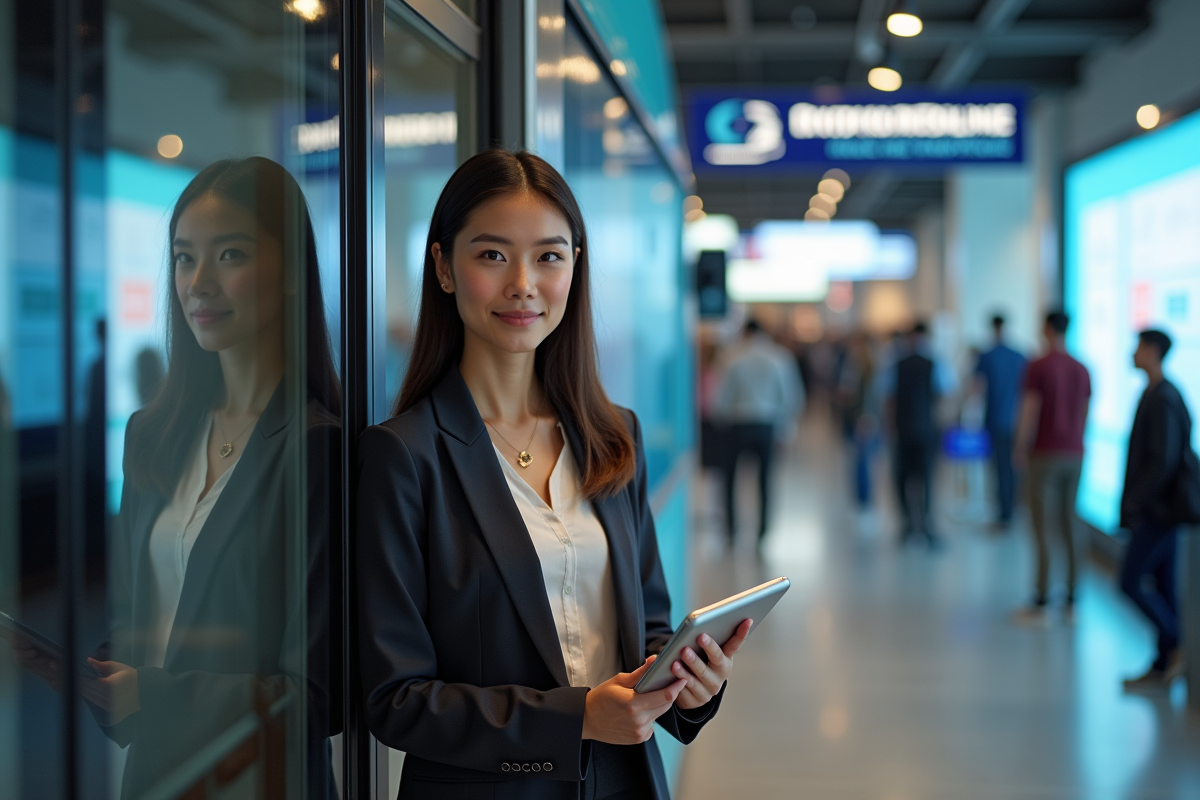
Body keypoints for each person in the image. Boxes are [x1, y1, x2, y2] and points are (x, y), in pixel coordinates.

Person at [356, 150, 752, 800]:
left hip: (624, 782)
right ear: (443, 268)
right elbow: (394, 699)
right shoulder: (404, 456)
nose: (523, 284)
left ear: (575, 266)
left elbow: (648, 626)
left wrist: (689, 684)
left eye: (549, 256)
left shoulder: (610, 437)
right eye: (491, 256)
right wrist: (577, 719)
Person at [11, 158, 343, 796]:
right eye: (185, 258)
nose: (200, 283)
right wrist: (92, 674)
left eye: (230, 255)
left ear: (293, 273)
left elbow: (317, 697)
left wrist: (152, 694)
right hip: (158, 777)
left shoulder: (316, 449)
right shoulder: (152, 434)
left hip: (262, 781)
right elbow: (145, 626)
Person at [1119, 329, 1190, 689]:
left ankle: (1178, 644)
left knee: (1129, 581)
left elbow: (1161, 460)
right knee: (1161, 586)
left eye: (1138, 347)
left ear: (1151, 351)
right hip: (1160, 510)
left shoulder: (1163, 397)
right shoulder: (1155, 393)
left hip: (1159, 512)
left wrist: (1137, 501)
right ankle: (1163, 664)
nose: (1132, 353)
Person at [1012, 311, 1091, 624]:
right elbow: (1085, 413)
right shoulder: (1082, 368)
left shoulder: (1038, 366)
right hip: (1074, 453)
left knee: (1042, 525)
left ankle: (1043, 598)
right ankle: (1072, 596)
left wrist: (1020, 446)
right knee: (1071, 522)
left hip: (1044, 453)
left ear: (1046, 328)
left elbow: (1030, 409)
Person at [712, 319, 805, 550]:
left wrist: (721, 420)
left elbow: (721, 398)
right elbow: (791, 397)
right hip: (766, 425)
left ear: (745, 332)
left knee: (730, 480)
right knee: (765, 482)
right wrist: (786, 431)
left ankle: (732, 531)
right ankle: (762, 532)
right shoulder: (780, 357)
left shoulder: (730, 356)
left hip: (737, 425)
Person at [886, 322, 948, 548]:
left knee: (907, 478)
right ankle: (922, 524)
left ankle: (912, 524)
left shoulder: (897, 363)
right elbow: (943, 396)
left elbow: (889, 398)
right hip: (923, 429)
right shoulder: (934, 364)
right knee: (922, 478)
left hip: (906, 429)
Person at [972, 314, 1027, 530]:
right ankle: (1011, 511)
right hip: (1016, 421)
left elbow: (976, 388)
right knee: (1012, 469)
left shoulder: (987, 356)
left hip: (996, 421)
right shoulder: (1019, 356)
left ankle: (1004, 515)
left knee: (999, 469)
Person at [835, 331, 876, 510]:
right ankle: (863, 500)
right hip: (866, 417)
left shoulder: (859, 365)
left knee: (862, 459)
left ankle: (863, 500)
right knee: (864, 458)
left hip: (861, 418)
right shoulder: (868, 364)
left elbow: (850, 392)